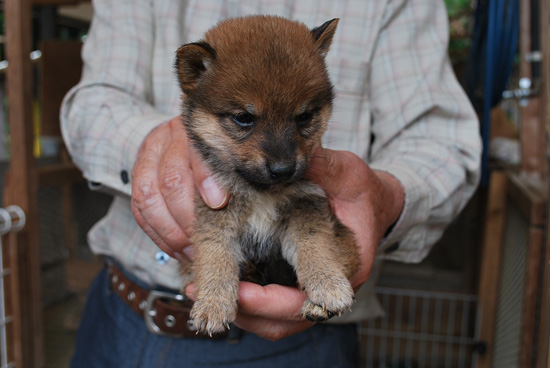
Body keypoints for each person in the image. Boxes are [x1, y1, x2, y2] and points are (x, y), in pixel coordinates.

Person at [60, 0, 481, 367]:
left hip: (309, 341)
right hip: (122, 318)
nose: (283, 159)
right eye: (244, 120)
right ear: (193, 73)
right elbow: (92, 106)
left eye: (303, 120)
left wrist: (386, 196)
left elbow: (442, 145)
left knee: (311, 219)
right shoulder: (201, 71)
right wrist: (154, 149)